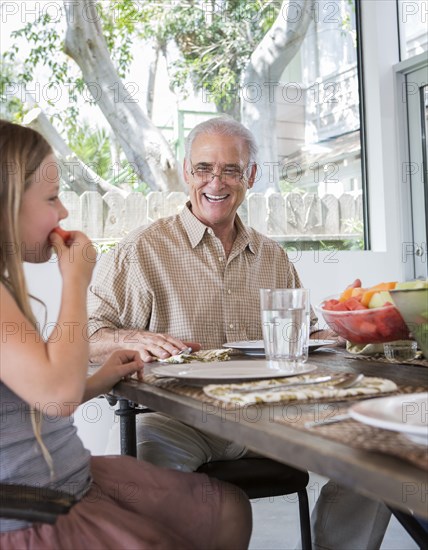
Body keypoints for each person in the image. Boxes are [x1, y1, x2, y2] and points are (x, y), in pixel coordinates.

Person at [87, 116, 391, 549]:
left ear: (249, 176)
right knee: (146, 473)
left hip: (273, 413)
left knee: (374, 453)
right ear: (187, 172)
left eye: (231, 169)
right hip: (178, 419)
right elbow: (87, 336)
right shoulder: (141, 250)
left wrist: (344, 329)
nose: (217, 182)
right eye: (204, 169)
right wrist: (124, 338)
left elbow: (300, 338)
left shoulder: (271, 255)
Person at [0, 120, 252, 549]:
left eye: (231, 170)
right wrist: (75, 281)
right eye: (51, 198)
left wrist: (100, 380)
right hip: (38, 504)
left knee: (228, 510)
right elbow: (57, 395)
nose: (62, 212)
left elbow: (35, 395)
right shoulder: (142, 247)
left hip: (73, 475)